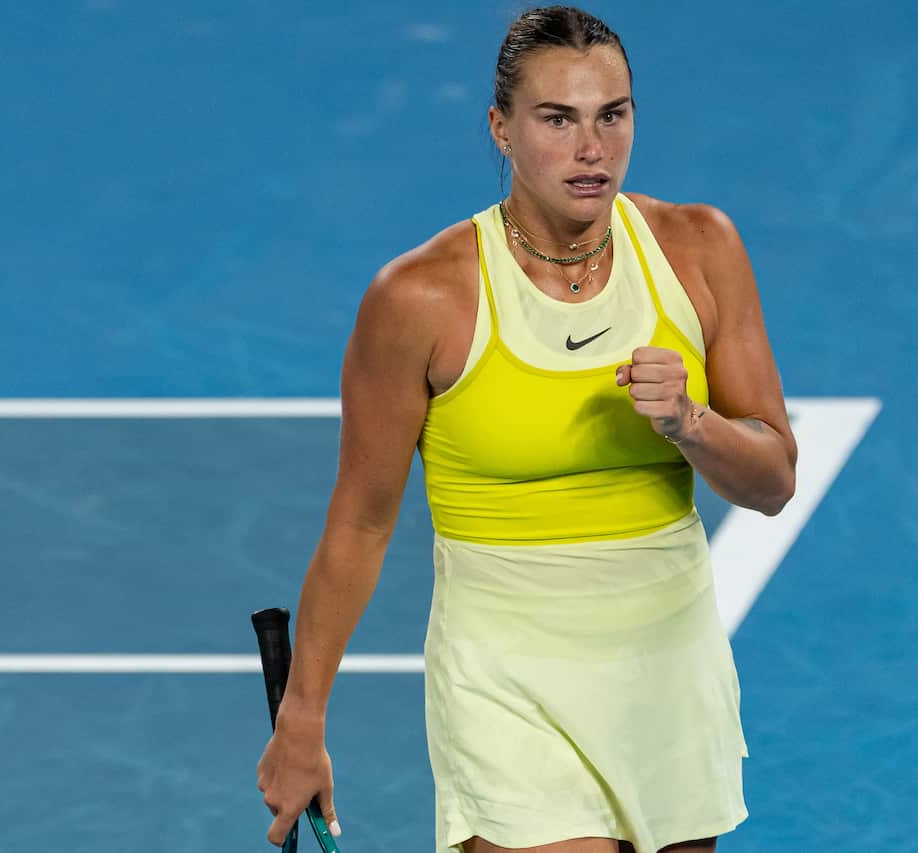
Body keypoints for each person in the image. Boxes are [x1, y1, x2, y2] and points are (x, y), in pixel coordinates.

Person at [256, 6, 797, 852]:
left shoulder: (699, 249)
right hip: (505, 679)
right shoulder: (421, 299)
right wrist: (303, 719)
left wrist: (691, 422)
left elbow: (773, 480)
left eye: (612, 115)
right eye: (558, 119)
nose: (593, 149)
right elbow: (360, 522)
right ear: (501, 130)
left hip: (666, 666)